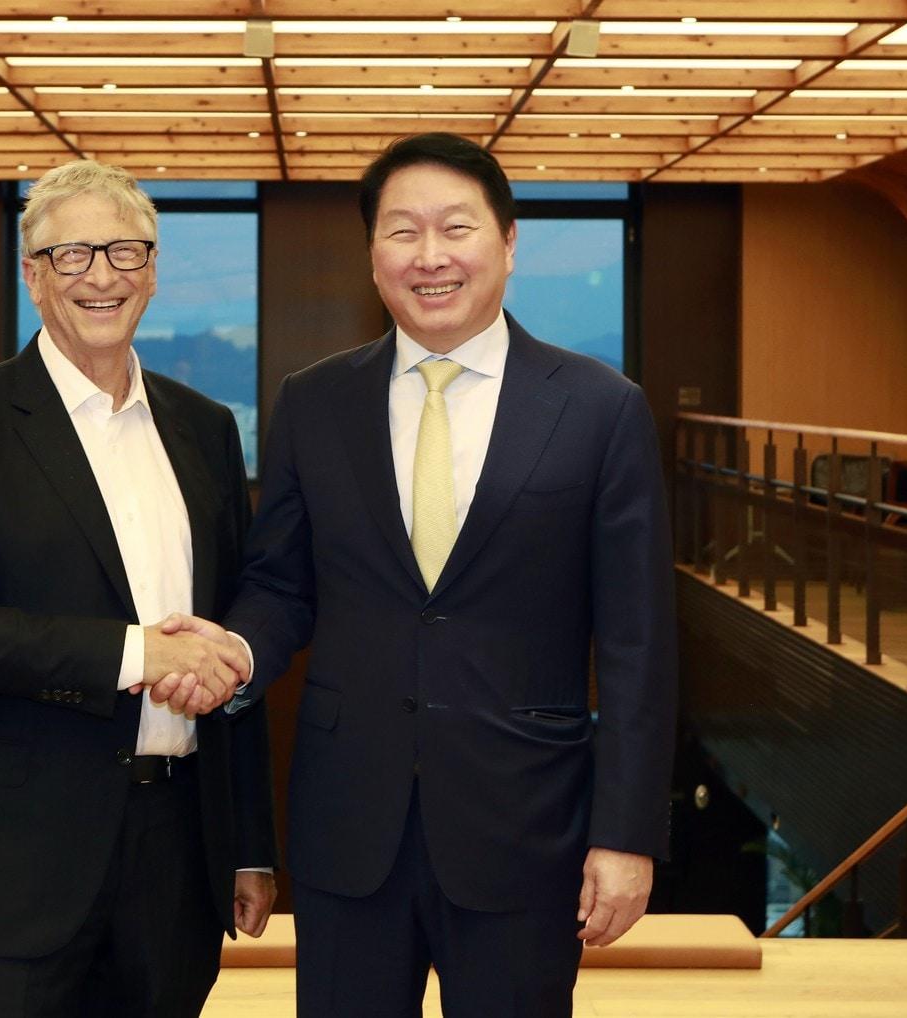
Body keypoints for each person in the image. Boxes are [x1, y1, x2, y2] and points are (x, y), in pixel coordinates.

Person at [161, 133, 676, 1017]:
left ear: (507, 243)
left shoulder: (601, 408)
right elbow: (282, 585)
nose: (430, 256)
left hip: (526, 827)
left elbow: (639, 643)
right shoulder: (314, 401)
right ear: (373, 257)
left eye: (455, 228)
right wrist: (236, 651)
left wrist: (626, 834)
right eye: (402, 231)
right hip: (348, 827)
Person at [0, 159, 276, 1018]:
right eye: (72, 255)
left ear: (153, 270)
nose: (102, 275)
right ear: (33, 276)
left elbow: (228, 633)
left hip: (179, 857)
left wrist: (248, 843)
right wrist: (137, 654)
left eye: (125, 251)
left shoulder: (205, 429)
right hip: (16, 864)